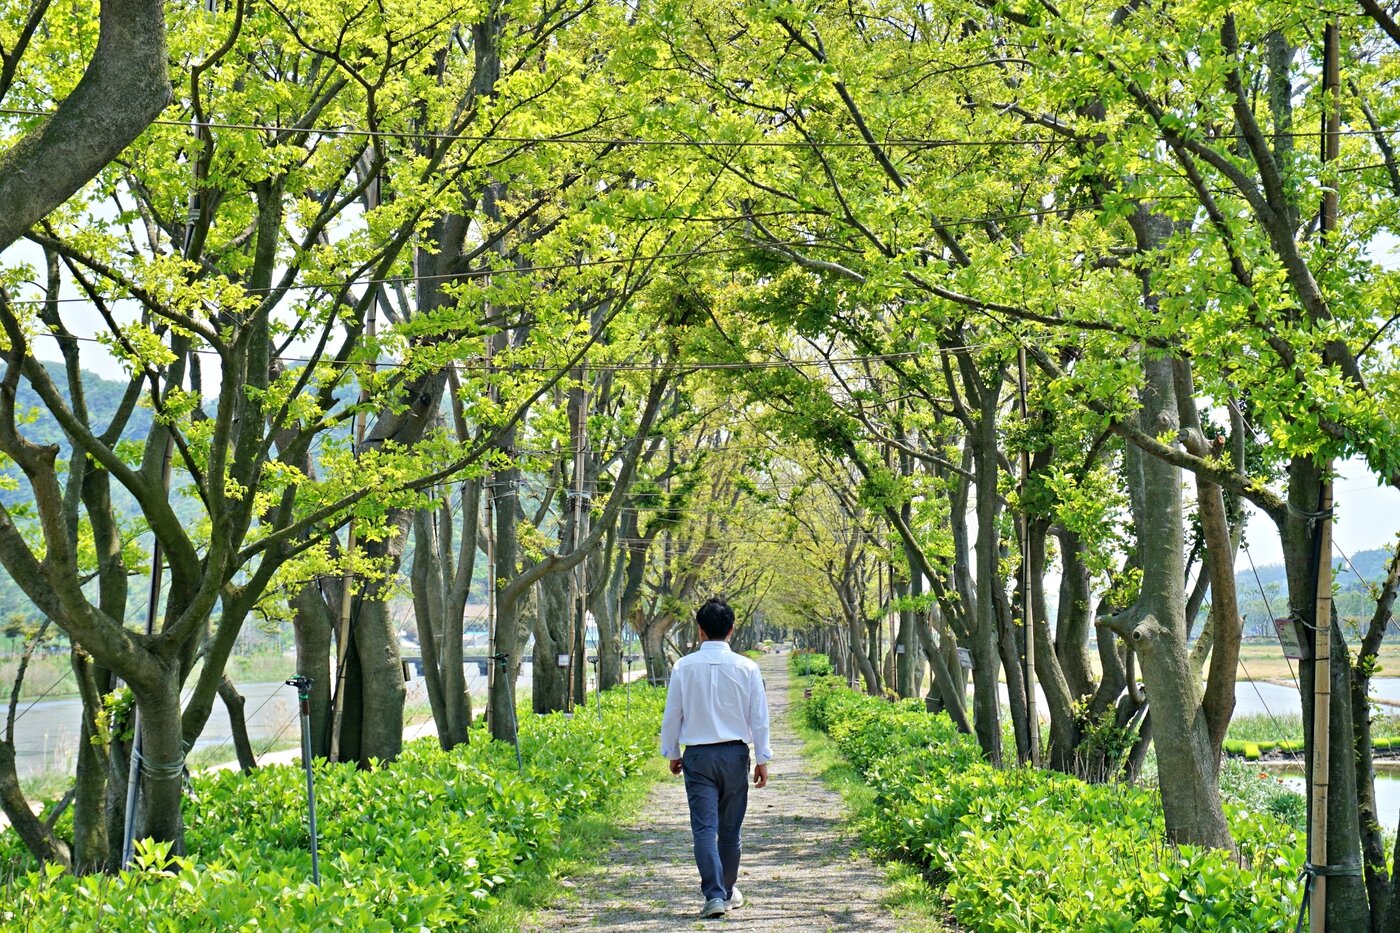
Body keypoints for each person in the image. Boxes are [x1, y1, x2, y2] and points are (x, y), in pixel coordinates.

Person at [659, 597, 772, 919]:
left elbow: (673, 715)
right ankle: (726, 889)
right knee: (730, 830)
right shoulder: (747, 667)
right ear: (732, 629)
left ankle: (714, 895)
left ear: (700, 630)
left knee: (705, 829)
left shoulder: (683, 667)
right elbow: (759, 717)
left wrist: (672, 752)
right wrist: (762, 758)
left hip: (697, 757)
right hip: (735, 755)